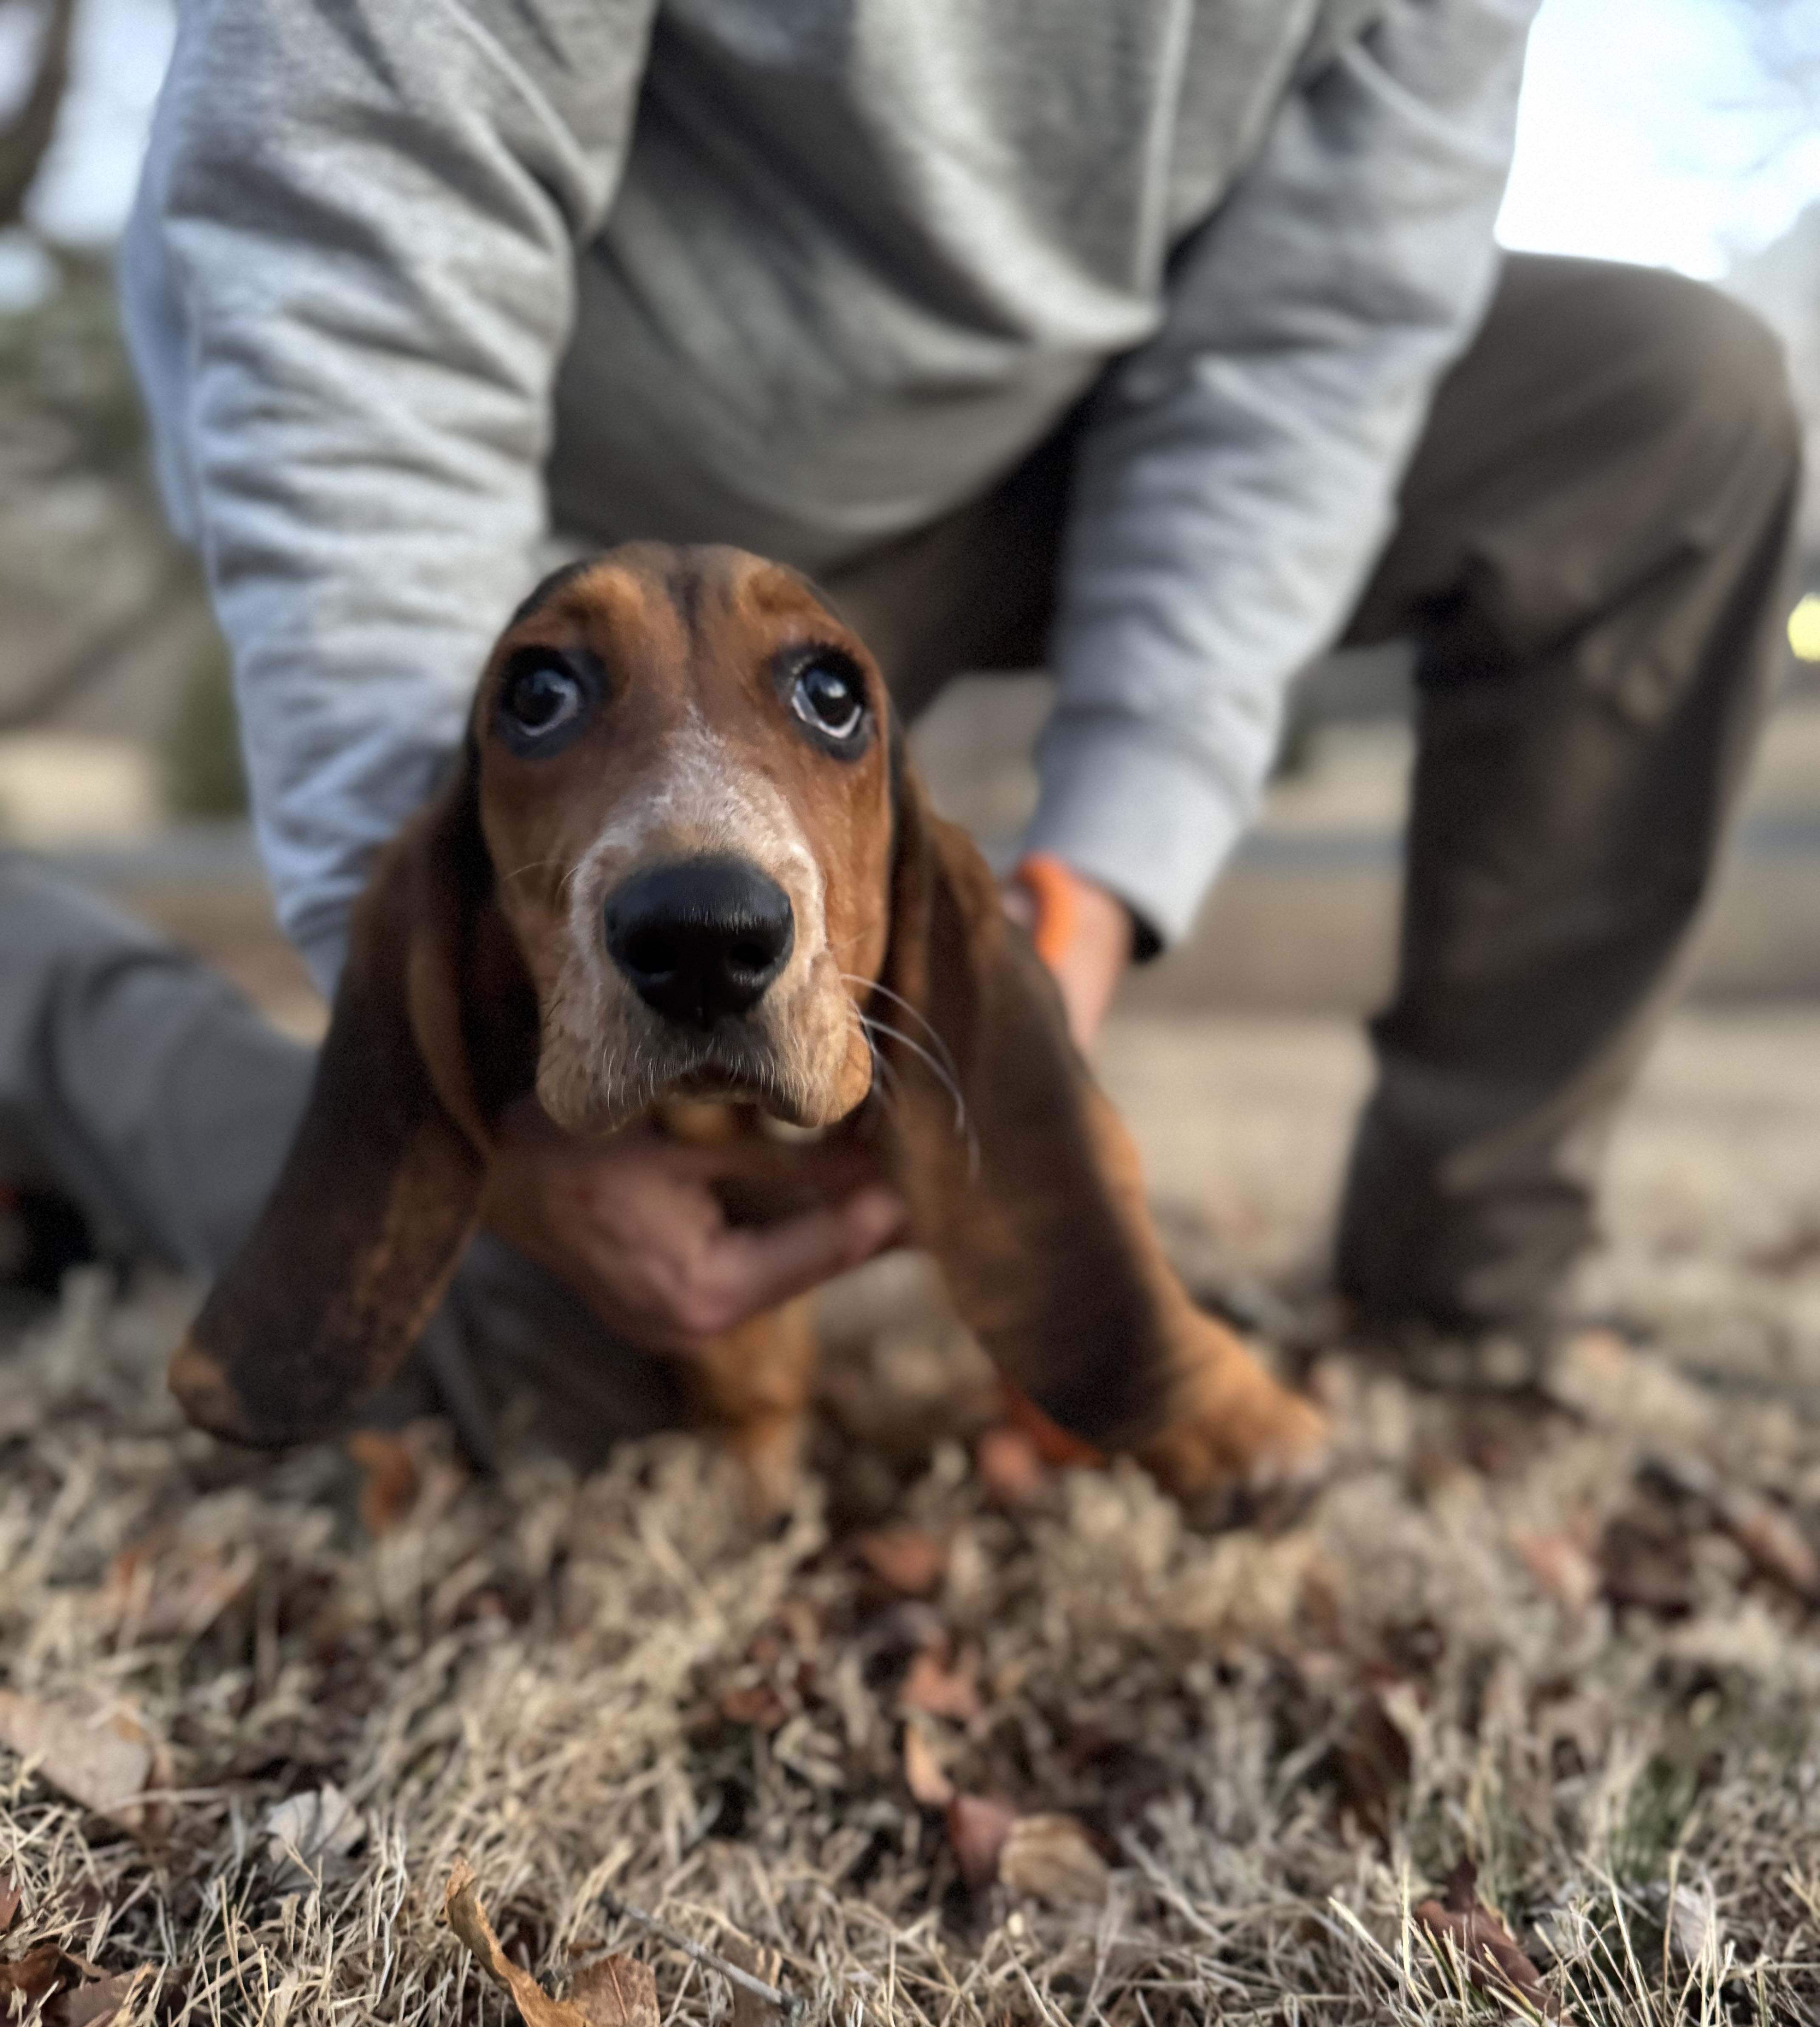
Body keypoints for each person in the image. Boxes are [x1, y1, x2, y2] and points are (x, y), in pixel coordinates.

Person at [0, 2, 1802, 1453]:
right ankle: (41, 992)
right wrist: (509, 1127)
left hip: (1042, 437)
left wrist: (1090, 900)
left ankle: (1465, 1308)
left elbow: (1312, 348)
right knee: (575, 1389)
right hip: (522, 474)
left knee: (1676, 409)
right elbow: (358, 202)